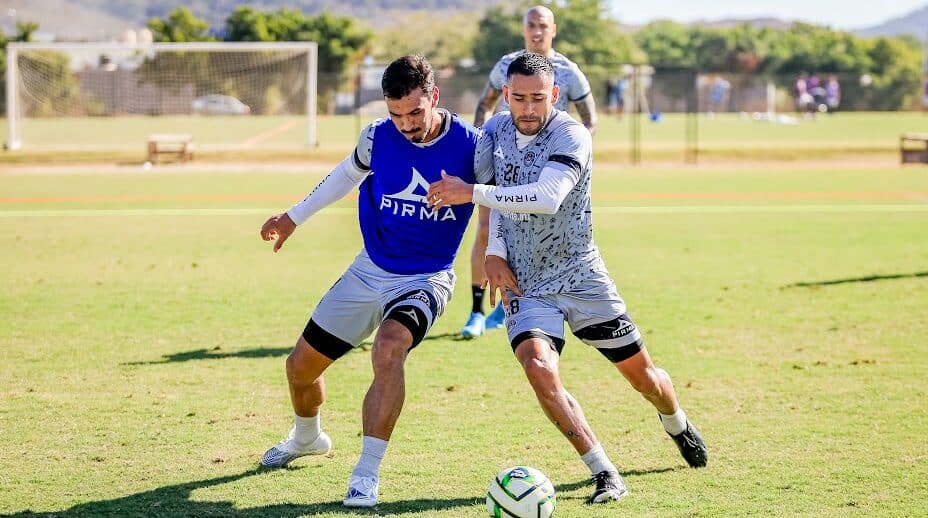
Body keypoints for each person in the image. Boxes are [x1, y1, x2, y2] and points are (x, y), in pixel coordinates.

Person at [427, 53, 707, 505]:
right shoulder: (496, 131)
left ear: (555, 95)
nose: (528, 108)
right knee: (538, 368)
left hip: (582, 276)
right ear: (506, 97)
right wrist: (496, 251)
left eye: (538, 98)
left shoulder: (571, 134)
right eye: (518, 98)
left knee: (644, 379)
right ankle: (604, 470)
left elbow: (547, 196)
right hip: (526, 281)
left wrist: (471, 192)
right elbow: (500, 196)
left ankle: (675, 420)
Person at [258, 55, 489, 508]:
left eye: (414, 112)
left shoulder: (473, 146)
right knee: (299, 369)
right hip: (369, 269)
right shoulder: (376, 137)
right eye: (395, 113)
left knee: (389, 347)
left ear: (434, 97)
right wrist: (293, 217)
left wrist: (498, 254)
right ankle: (307, 438)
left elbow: (493, 207)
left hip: (426, 277)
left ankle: (365, 474)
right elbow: (345, 176)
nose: (405, 124)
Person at [462, 4, 599, 339]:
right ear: (523, 30)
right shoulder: (507, 65)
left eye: (543, 26)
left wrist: (575, 155)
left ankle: (511, 303)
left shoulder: (568, 71)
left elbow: (590, 118)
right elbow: (486, 102)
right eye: (530, 26)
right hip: (505, 165)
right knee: (486, 230)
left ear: (553, 30)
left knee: (534, 240)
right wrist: (483, 148)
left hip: (548, 174)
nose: (536, 32)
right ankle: (476, 311)